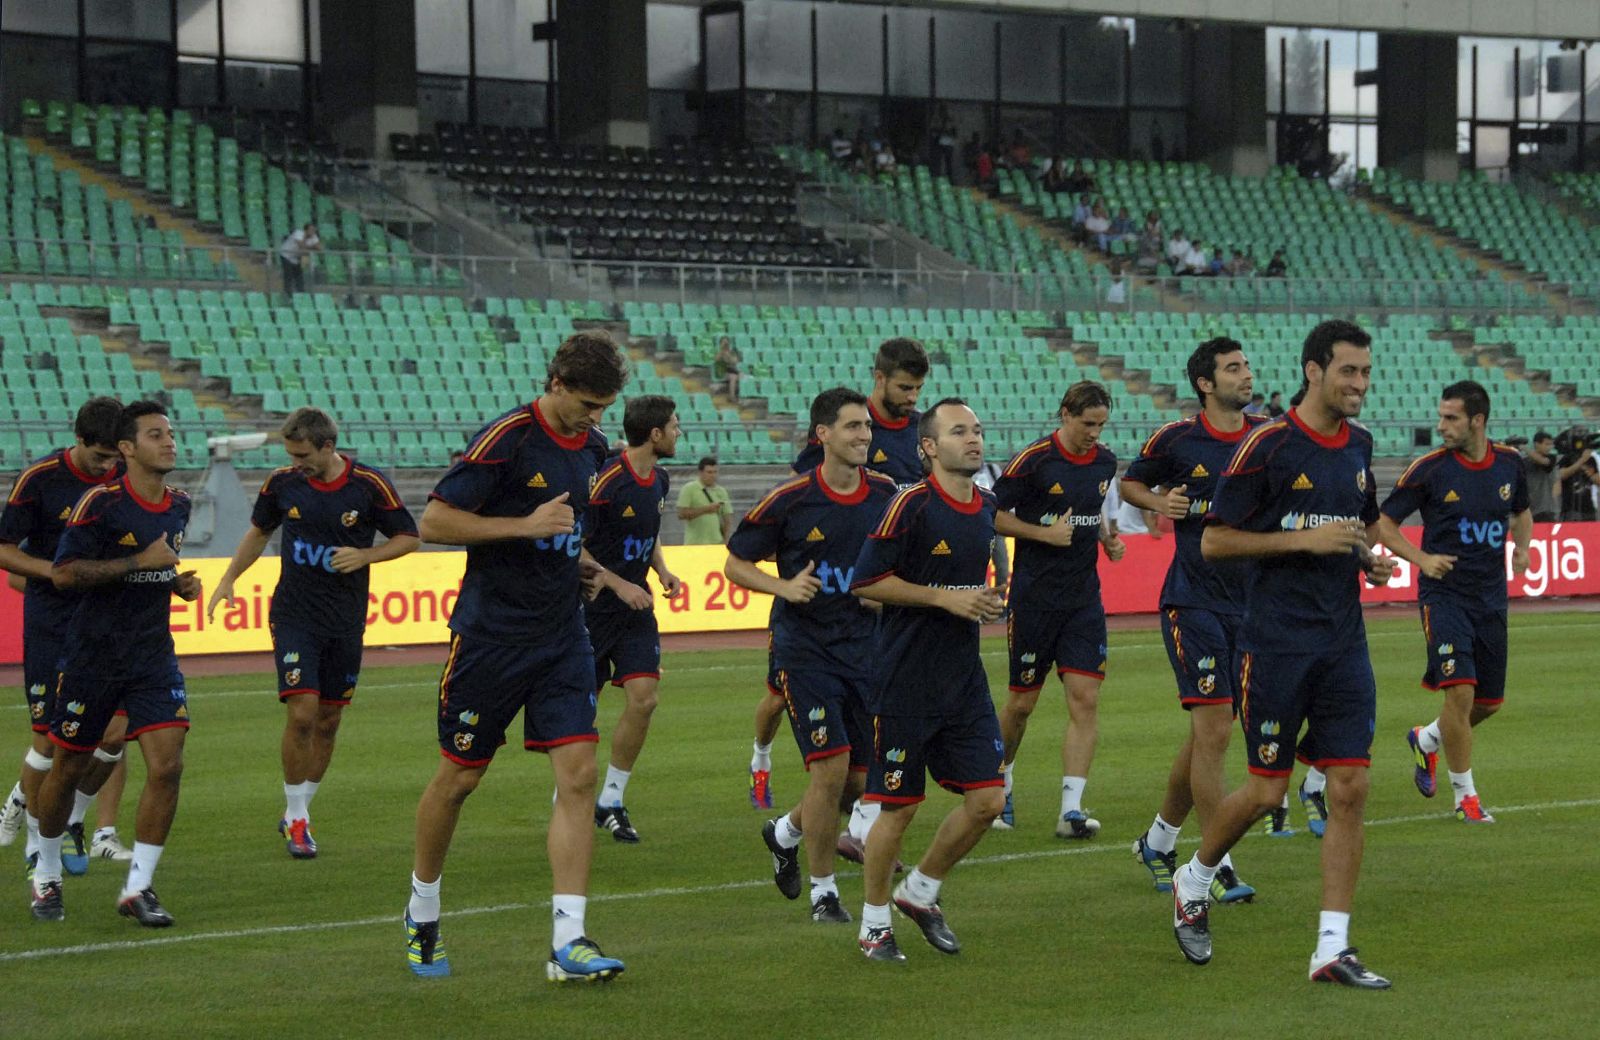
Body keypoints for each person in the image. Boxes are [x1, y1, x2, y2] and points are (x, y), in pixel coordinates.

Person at [1169, 319, 1396, 989]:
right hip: (1272, 643)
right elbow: (1216, 542)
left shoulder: (1359, 445)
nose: (1360, 384)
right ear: (1313, 370)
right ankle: (1196, 874)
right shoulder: (1267, 447)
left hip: (1343, 641)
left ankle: (1332, 947)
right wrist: (1303, 542)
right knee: (1267, 793)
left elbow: (1355, 524)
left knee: (1351, 785)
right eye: (1349, 371)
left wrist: (1368, 559)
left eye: (1366, 373)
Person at [402, 331, 628, 981]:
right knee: (460, 779)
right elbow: (436, 522)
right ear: (556, 382)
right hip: (491, 640)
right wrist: (524, 527)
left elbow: (567, 532)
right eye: (587, 402)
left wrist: (584, 566)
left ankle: (570, 941)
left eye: (605, 406)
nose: (595, 417)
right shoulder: (505, 439)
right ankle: (422, 910)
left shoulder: (592, 448)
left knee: (580, 776)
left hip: (563, 637)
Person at [206, 407, 419, 858]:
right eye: (290, 453)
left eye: (302, 454)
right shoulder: (282, 484)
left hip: (345, 620)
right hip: (294, 615)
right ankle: (297, 817)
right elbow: (259, 532)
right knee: (302, 712)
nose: (295, 461)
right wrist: (228, 579)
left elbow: (409, 537)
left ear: (327, 446)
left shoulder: (369, 485)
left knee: (328, 719)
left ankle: (299, 809)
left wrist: (366, 557)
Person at [726, 388, 898, 924]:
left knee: (854, 783)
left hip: (866, 653)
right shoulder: (792, 499)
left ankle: (784, 833)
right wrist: (782, 589)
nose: (864, 435)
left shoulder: (888, 493)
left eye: (866, 426)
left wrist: (885, 591)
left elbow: (900, 560)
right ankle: (824, 891)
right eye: (851, 426)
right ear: (822, 434)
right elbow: (735, 564)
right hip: (806, 654)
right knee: (831, 771)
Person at [848, 398, 1007, 961]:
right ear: (929, 447)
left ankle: (919, 891)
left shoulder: (985, 504)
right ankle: (873, 924)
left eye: (978, 430)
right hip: (905, 681)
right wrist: (944, 598)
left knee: (989, 798)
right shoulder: (910, 504)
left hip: (963, 680)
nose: (974, 439)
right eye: (959, 431)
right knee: (899, 807)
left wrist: (988, 597)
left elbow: (988, 558)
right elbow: (865, 583)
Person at [29, 400, 199, 926]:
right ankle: (47, 868)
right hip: (91, 657)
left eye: (170, 433)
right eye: (155, 434)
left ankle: (139, 887)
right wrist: (138, 562)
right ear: (127, 448)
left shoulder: (179, 504)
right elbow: (64, 575)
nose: (169, 442)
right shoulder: (98, 505)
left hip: (152, 657)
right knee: (68, 767)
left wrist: (175, 583)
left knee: (168, 765)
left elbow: (156, 567)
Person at [1122, 340, 1268, 904]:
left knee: (1208, 731)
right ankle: (1216, 858)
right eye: (1234, 368)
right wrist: (1159, 504)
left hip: (1252, 606)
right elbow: (1130, 482)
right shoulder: (1177, 439)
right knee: (1215, 729)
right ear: (1206, 384)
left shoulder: (1266, 437)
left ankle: (1159, 840)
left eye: (1247, 366)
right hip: (1194, 603)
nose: (1246, 375)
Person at [787, 338, 929, 862]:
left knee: (866, 755)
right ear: (879, 378)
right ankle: (846, 843)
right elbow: (809, 500)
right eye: (904, 387)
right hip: (826, 616)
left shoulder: (919, 435)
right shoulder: (840, 428)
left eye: (918, 389)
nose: (912, 397)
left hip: (889, 612)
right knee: (840, 763)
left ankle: (806, 832)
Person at [1377, 381, 1530, 824]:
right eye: (1441, 416)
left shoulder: (1509, 464)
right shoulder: (1429, 470)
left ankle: (1427, 739)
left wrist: (1522, 549)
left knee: (1488, 703)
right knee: (1460, 694)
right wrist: (1421, 559)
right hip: (1445, 599)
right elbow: (1385, 524)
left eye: (1451, 418)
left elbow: (1521, 512)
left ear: (1477, 421)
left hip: (1490, 598)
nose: (1441, 426)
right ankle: (1466, 797)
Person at [0, 398, 135, 873]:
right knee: (54, 741)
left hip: (110, 625)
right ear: (77, 441)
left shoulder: (124, 480)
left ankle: (72, 821)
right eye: (99, 457)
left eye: (114, 457)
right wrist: (52, 572)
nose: (107, 467)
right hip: (53, 625)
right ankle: (38, 832)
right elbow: (4, 550)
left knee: (117, 732)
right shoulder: (40, 480)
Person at [991, 381, 1126, 835]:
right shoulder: (1034, 461)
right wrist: (1041, 534)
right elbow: (991, 514)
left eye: (1102, 424)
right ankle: (1000, 783)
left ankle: (1072, 809)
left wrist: (1107, 538)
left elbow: (1094, 507)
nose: (1095, 433)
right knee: (1021, 705)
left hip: (1083, 600)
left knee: (1085, 699)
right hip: (1034, 601)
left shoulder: (1105, 462)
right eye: (1088, 423)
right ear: (1065, 414)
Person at [583, 395, 683, 844]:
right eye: (675, 426)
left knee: (644, 698)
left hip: (635, 609)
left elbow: (650, 532)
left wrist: (660, 569)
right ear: (655, 433)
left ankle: (611, 799)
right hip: (589, 610)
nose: (680, 432)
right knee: (579, 715)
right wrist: (616, 582)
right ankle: (572, 792)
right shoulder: (606, 480)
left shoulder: (658, 479)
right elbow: (574, 543)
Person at [678, 457, 732, 545]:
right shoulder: (689, 489)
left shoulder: (721, 491)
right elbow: (681, 514)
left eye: (715, 472)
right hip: (695, 543)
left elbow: (727, 518)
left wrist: (726, 539)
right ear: (700, 473)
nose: (713, 475)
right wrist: (706, 509)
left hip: (716, 543)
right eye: (709, 472)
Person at [1522, 431, 1559, 522]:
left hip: (1545, 508)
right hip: (1529, 509)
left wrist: (1524, 448)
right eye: (1546, 444)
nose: (1549, 447)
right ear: (1537, 444)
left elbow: (1544, 462)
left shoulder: (1552, 458)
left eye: (1550, 444)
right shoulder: (1524, 461)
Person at [278, 223, 321, 295]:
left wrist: (310, 247)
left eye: (314, 230)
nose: (313, 232)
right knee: (288, 275)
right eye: (311, 230)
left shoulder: (314, 237)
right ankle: (288, 294)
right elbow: (301, 246)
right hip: (286, 255)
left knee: (299, 276)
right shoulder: (298, 233)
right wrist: (312, 247)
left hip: (296, 258)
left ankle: (301, 294)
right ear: (306, 230)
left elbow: (320, 248)